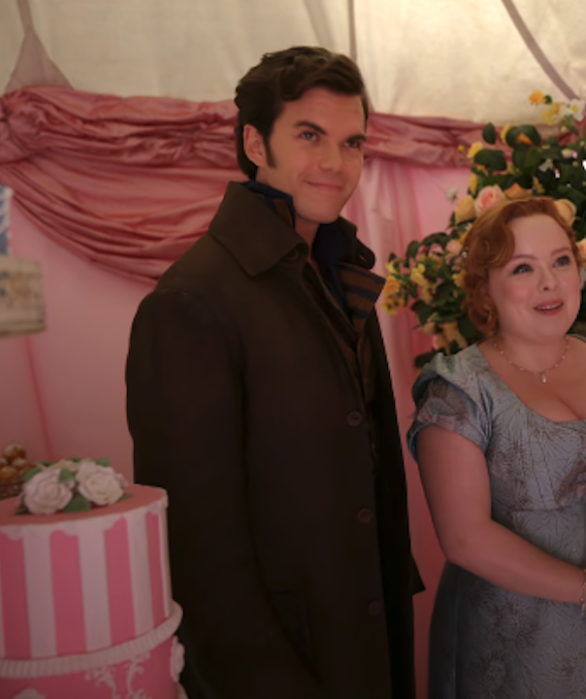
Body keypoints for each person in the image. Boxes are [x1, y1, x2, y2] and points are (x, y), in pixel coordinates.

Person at [126, 47, 420, 699]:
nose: (334, 164)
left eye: (352, 142)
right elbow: (196, 549)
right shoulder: (190, 302)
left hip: (366, 630)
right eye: (309, 136)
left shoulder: (339, 267)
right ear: (255, 142)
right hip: (280, 663)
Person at [409, 197, 586, 698]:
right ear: (486, 287)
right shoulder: (461, 389)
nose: (549, 283)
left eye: (560, 261)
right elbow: (464, 538)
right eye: (522, 268)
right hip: (511, 642)